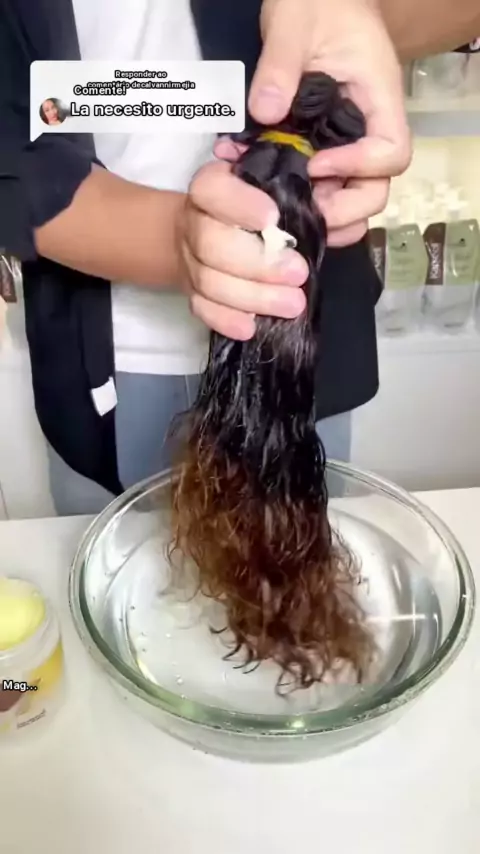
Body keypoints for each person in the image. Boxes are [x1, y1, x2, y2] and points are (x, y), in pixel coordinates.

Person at [0, 0, 479, 515]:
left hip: (298, 349)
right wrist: (178, 240)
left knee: (292, 544)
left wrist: (360, 12)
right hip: (97, 361)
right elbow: (19, 146)